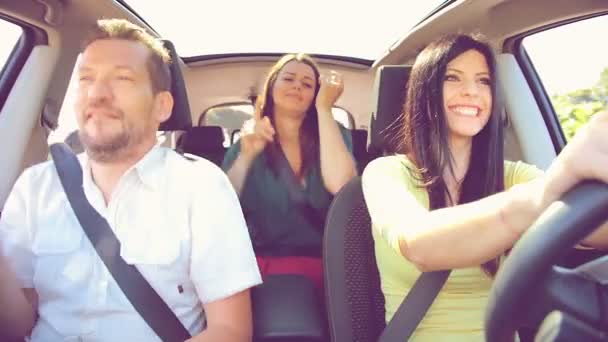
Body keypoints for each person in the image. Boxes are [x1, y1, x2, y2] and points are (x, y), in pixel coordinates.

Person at [0, 19, 261, 342]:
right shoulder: (34, 187)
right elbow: (17, 324)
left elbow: (231, 331)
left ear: (162, 106)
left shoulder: (202, 186)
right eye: (86, 79)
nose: (97, 94)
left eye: (122, 78)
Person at [361, 34, 608, 341]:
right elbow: (418, 243)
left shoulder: (514, 176)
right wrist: (538, 201)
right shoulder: (386, 173)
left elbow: (588, 228)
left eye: (484, 81)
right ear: (425, 91)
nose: (471, 92)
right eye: (453, 77)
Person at [222, 53, 357, 290]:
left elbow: (341, 186)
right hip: (259, 269)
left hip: (327, 269)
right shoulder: (248, 141)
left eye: (307, 84)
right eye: (289, 79)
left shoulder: (334, 133)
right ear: (271, 86)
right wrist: (246, 156)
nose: (297, 86)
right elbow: (220, 206)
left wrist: (325, 109)